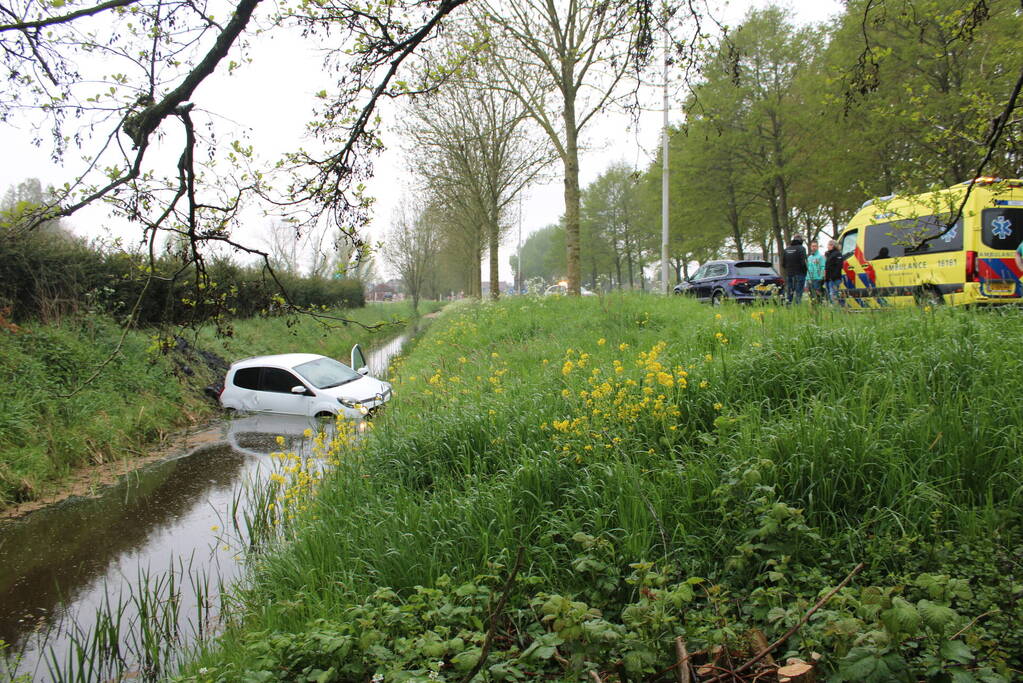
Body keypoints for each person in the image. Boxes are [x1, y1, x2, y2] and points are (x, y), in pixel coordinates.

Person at [781, 235, 808, 304]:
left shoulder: (787, 249)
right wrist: (805, 272)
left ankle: (788, 305)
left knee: (789, 291)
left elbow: (783, 264)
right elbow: (804, 262)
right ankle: (798, 307)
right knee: (798, 292)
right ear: (801, 240)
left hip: (789, 274)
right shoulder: (802, 248)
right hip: (800, 274)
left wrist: (788, 269)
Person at [824, 239, 844, 304]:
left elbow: (839, 266)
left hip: (834, 279)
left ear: (832, 245)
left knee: (833, 295)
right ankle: (832, 309)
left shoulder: (838, 254)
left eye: (828, 245)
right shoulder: (829, 254)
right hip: (828, 279)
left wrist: (833, 277)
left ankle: (835, 309)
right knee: (830, 296)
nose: (827, 246)